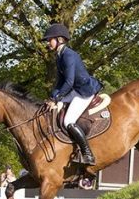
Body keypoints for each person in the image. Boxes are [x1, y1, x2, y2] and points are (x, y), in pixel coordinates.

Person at [42, 23, 102, 165]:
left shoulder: (68, 55)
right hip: (74, 90)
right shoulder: (59, 55)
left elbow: (68, 81)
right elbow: (60, 81)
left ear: (60, 40)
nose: (47, 43)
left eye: (49, 40)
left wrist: (57, 99)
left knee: (68, 121)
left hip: (84, 92)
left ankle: (87, 154)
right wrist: (52, 97)